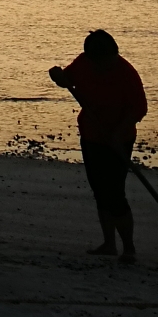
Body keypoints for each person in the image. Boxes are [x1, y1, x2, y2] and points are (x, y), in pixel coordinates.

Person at [49, 28, 148, 264]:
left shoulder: (126, 73)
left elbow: (139, 109)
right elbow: (67, 79)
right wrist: (58, 77)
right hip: (92, 137)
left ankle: (129, 248)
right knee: (100, 192)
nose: (107, 66)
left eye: (110, 60)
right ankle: (109, 244)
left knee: (115, 193)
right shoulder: (83, 63)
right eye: (102, 62)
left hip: (120, 139)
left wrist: (118, 132)